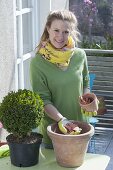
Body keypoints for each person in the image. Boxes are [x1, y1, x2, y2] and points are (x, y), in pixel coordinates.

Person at [30, 10, 98, 148]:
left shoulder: (80, 55)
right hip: (54, 133)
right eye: (56, 30)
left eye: (66, 32)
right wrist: (63, 120)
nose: (60, 36)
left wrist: (88, 98)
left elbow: (85, 82)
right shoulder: (38, 62)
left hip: (82, 129)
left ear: (71, 32)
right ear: (48, 28)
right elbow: (43, 100)